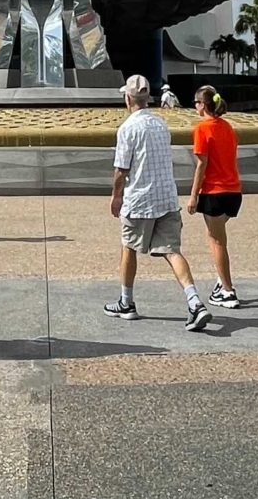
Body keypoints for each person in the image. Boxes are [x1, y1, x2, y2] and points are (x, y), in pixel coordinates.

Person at [103, 75, 213, 329]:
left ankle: (126, 302)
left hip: (140, 198)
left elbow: (121, 169)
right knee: (172, 251)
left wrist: (116, 196)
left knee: (129, 247)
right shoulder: (161, 124)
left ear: (128, 98)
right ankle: (195, 302)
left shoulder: (128, 128)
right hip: (166, 197)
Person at [185, 84, 244, 309]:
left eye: (196, 103)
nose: (195, 107)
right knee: (220, 238)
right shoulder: (228, 127)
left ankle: (228, 291)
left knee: (216, 241)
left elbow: (202, 164)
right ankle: (222, 281)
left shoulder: (202, 129)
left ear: (202, 105)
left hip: (214, 192)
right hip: (233, 191)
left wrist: (193, 196)